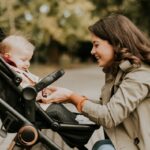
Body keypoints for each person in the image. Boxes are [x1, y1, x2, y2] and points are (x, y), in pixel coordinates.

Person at [44, 13, 150, 150]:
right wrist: (69, 98)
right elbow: (107, 106)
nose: (92, 51)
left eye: (96, 45)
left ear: (116, 43)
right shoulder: (118, 71)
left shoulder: (139, 75)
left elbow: (109, 116)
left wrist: (72, 97)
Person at [0, 35, 78, 124]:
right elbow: (26, 90)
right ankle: (80, 134)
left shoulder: (17, 69)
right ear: (7, 56)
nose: (28, 64)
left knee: (58, 107)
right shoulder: (13, 73)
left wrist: (46, 87)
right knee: (58, 112)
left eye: (29, 60)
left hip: (34, 104)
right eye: (24, 60)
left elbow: (33, 79)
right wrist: (43, 93)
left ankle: (75, 123)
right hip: (27, 109)